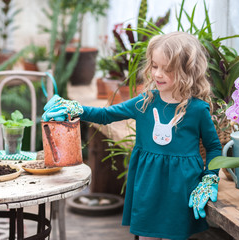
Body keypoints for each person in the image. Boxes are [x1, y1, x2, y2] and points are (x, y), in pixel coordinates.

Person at [42, 31, 222, 240]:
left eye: (168, 69)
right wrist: (75, 108)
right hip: (148, 184)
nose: (158, 74)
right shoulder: (144, 102)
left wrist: (210, 177)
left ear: (187, 70)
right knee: (146, 235)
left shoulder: (197, 110)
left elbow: (214, 146)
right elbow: (106, 114)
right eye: (155, 66)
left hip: (181, 188)